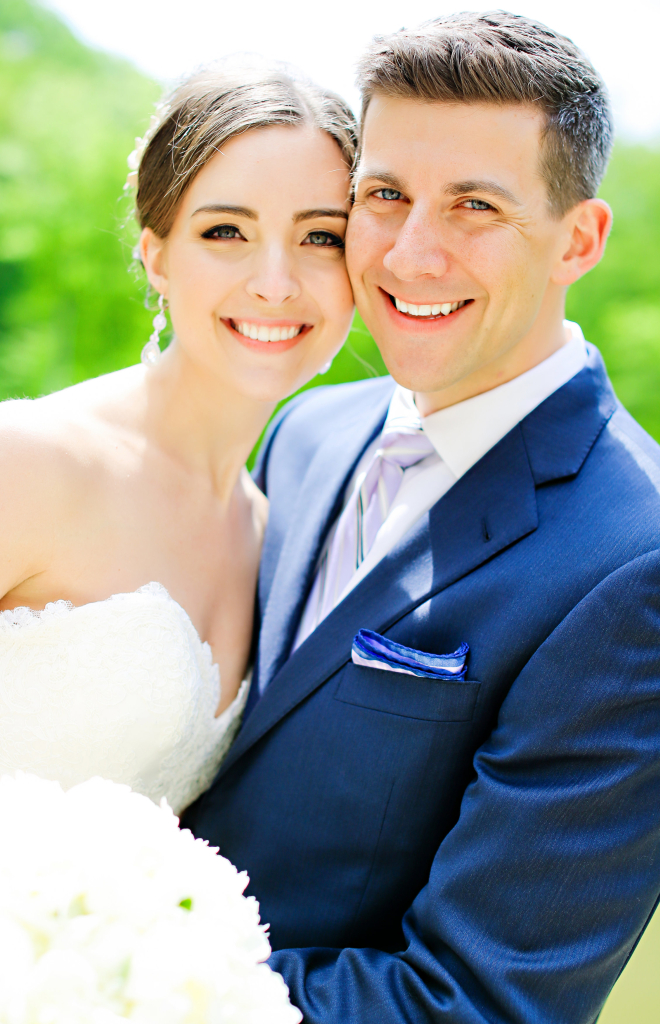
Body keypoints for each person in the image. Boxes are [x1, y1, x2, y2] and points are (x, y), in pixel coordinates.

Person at [182, 12, 660, 1023]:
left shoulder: (641, 568)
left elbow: (474, 1001)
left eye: (474, 208)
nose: (412, 253)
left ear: (576, 240)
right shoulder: (308, 428)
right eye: (385, 196)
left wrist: (102, 976)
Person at [0, 63, 356, 814]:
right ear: (157, 254)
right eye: (226, 230)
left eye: (321, 236)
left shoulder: (274, 538)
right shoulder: (29, 459)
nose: (275, 282)